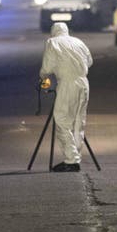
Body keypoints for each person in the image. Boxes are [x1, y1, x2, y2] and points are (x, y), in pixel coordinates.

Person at [39, 23, 93, 172]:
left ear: (53, 32)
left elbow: (47, 67)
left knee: (62, 120)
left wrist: (43, 77)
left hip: (67, 84)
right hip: (83, 83)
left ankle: (71, 160)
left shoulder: (52, 42)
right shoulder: (78, 42)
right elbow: (89, 61)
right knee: (78, 122)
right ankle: (75, 157)